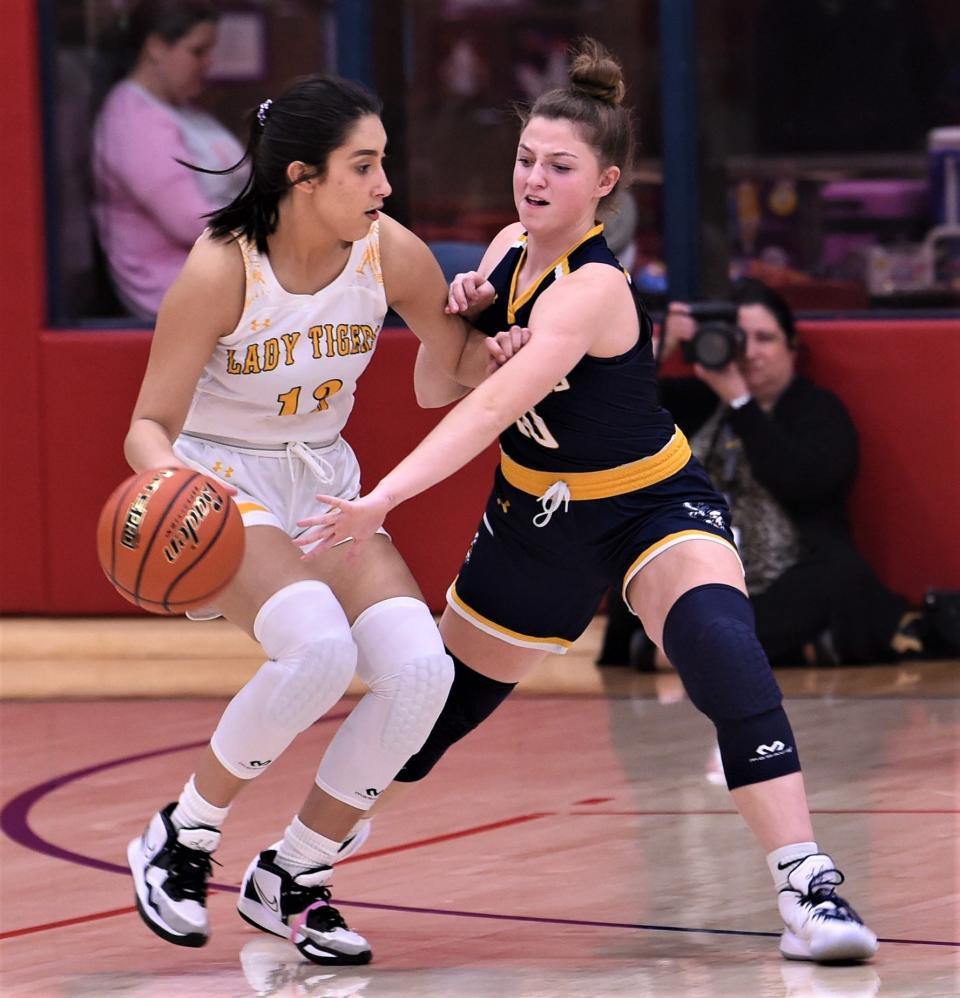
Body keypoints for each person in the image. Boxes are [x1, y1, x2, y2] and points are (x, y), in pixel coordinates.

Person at [298, 39, 878, 964]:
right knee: (429, 712)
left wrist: (383, 498)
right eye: (526, 158)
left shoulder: (600, 284)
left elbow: (493, 407)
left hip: (649, 502)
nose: (533, 177)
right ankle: (299, 865)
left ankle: (808, 885)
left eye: (558, 166)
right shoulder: (507, 249)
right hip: (537, 522)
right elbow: (437, 389)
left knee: (723, 651)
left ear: (604, 182)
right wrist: (465, 316)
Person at [124, 72, 500, 966]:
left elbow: (450, 372)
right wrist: (179, 496)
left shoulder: (389, 252)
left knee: (418, 670)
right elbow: (147, 425)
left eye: (383, 166)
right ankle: (182, 834)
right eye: (363, 168)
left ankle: (294, 873)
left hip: (322, 477)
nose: (384, 187)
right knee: (322, 651)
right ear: (301, 178)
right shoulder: (223, 267)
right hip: (221, 478)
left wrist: (502, 341)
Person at [598, 278, 945, 669]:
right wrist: (660, 349)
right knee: (636, 564)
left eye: (765, 338)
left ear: (791, 348)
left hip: (787, 581)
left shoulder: (819, 411)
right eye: (740, 338)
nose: (752, 353)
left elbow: (803, 484)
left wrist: (742, 404)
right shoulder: (694, 401)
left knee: (845, 577)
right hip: (701, 575)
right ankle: (785, 650)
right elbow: (615, 416)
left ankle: (683, 651)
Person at [92, 0, 247, 319]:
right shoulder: (134, 121)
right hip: (179, 298)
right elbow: (191, 222)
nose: (209, 63)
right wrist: (286, 231)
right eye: (197, 51)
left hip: (227, 280)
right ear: (156, 47)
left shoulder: (185, 111)